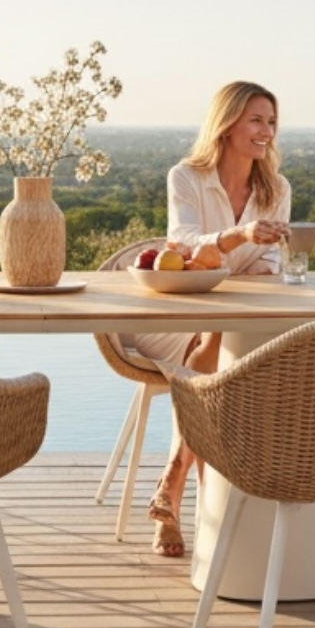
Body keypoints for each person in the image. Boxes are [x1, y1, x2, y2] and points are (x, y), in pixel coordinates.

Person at [126, 81, 292, 558]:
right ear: (228, 123)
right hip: (172, 316)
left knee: (218, 344)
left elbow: (269, 267)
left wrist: (250, 262)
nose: (267, 132)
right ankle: (184, 491)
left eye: (272, 122)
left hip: (229, 320)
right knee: (216, 350)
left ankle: (172, 486)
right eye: (257, 120)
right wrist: (238, 237)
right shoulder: (187, 176)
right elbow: (180, 243)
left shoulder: (276, 188)